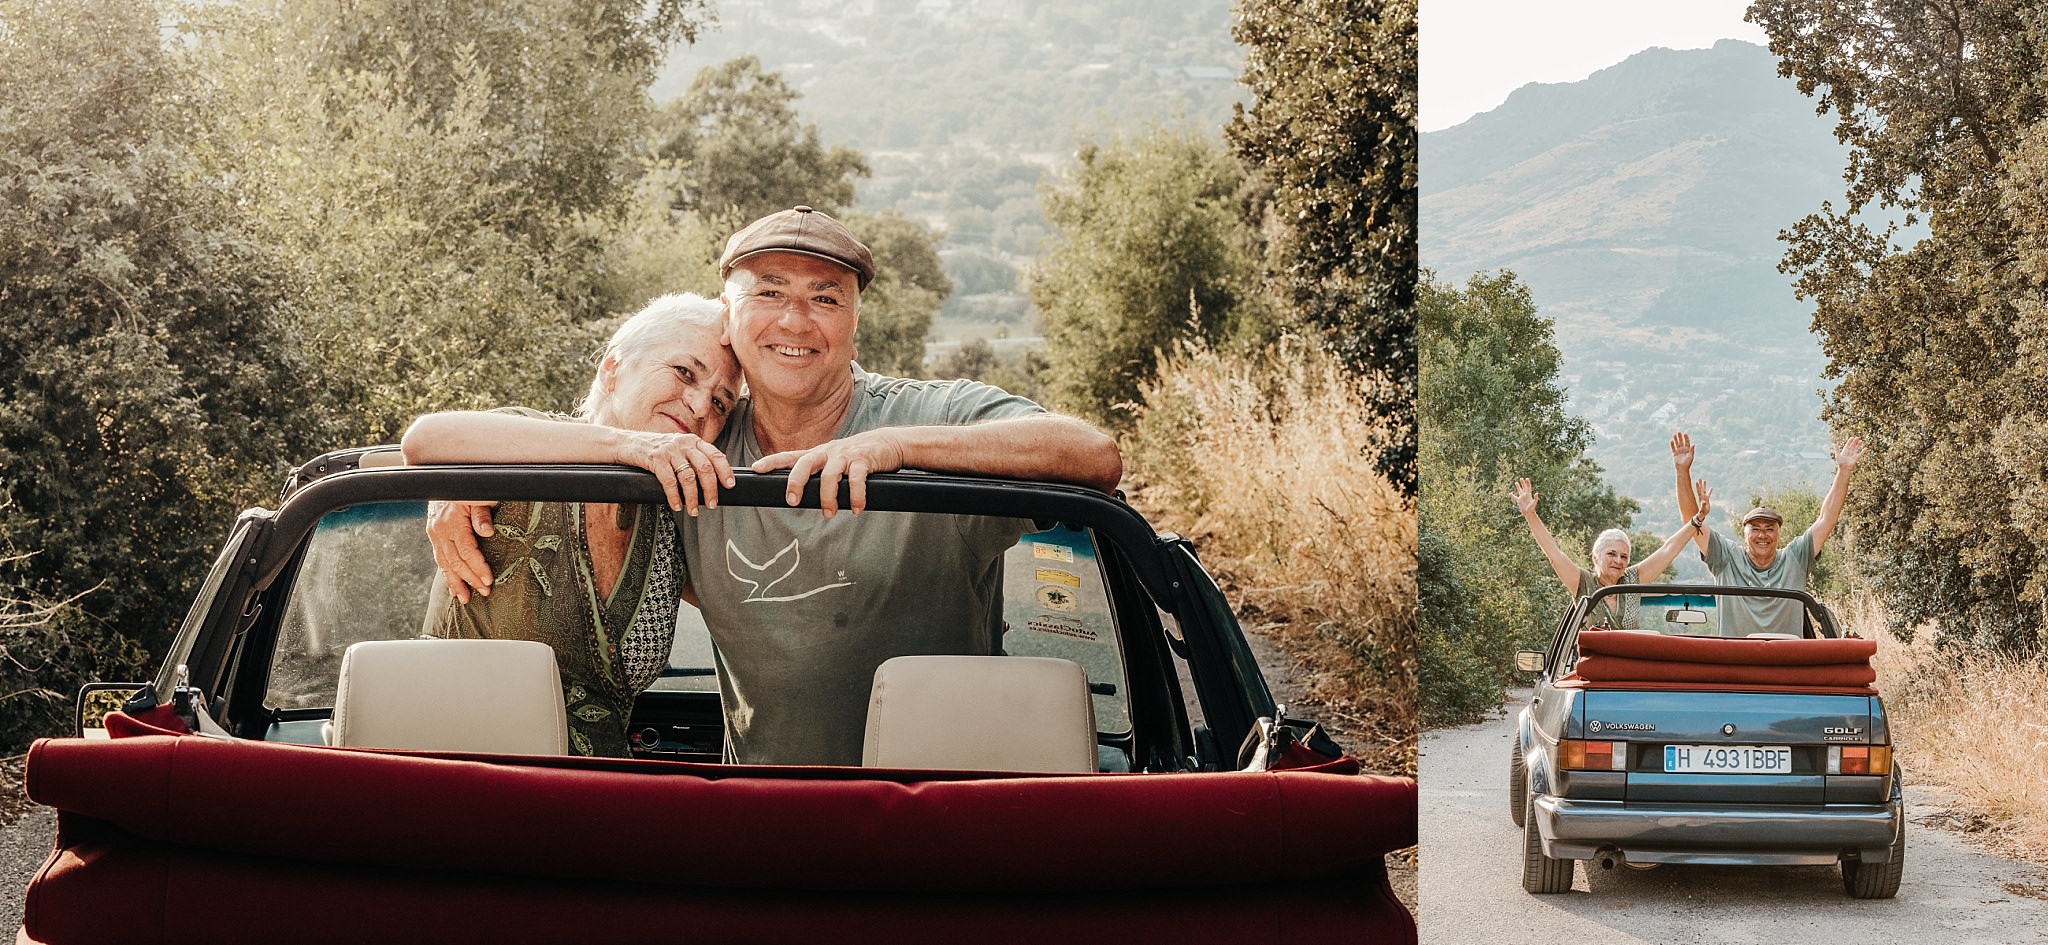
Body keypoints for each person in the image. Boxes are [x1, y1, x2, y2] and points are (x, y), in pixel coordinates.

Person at [430, 206, 1123, 766]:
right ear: (730, 317)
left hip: (938, 810)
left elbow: (1091, 454)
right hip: (765, 822)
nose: (795, 320)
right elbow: (480, 438)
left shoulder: (926, 415)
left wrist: (896, 449)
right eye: (769, 293)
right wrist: (462, 484)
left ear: (855, 325)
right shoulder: (699, 445)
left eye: (825, 297)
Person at [403, 293, 741, 757]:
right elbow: (424, 440)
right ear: (612, 368)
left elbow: (754, 605)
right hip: (454, 779)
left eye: (722, 403)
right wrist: (628, 447)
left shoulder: (672, 521)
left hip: (590, 799)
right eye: (685, 372)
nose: (702, 405)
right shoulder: (530, 445)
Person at [1669, 431, 1866, 635]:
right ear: (1744, 534)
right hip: (1735, 662)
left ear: (1779, 534)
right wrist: (1682, 471)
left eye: (1769, 529)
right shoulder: (1726, 557)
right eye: (1755, 529)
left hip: (1785, 662)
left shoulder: (1795, 559)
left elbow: (1826, 519)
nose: (1762, 535)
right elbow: (1691, 523)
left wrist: (1844, 472)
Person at [1514, 477, 1711, 630]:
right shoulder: (1583, 583)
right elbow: (1554, 553)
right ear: (1595, 557)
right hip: (1592, 675)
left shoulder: (1633, 580)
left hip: (1627, 676)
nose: (1618, 560)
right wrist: (1530, 515)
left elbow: (1667, 550)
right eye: (1612, 554)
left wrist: (1698, 519)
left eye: (1624, 557)